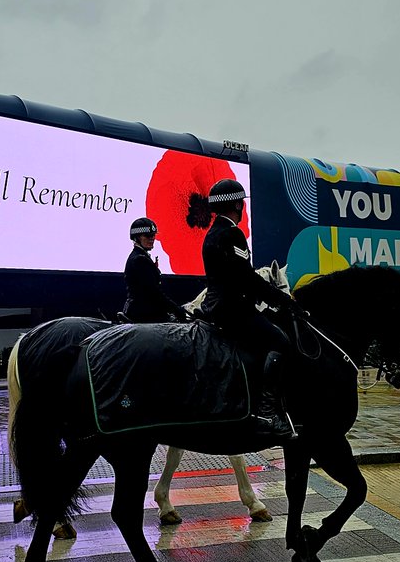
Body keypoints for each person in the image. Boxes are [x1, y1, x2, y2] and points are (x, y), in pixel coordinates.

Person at [197, 179, 297, 440]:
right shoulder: (232, 234)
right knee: (281, 341)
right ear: (237, 206)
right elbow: (246, 279)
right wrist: (282, 299)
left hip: (215, 307)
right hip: (233, 310)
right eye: (242, 204)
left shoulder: (212, 233)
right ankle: (267, 411)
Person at [122, 217, 189, 324]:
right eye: (147, 236)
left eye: (153, 235)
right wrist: (176, 309)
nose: (152, 238)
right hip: (144, 312)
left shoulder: (141, 256)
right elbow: (153, 293)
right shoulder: (139, 259)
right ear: (136, 238)